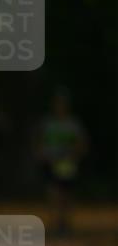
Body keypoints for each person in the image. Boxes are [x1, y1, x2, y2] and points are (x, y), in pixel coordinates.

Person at [36, 89, 88, 235]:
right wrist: (43, 156)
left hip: (68, 165)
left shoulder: (73, 124)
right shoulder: (48, 123)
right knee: (53, 193)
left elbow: (82, 143)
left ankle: (65, 223)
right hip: (51, 163)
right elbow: (39, 142)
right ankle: (54, 223)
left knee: (67, 194)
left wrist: (73, 155)